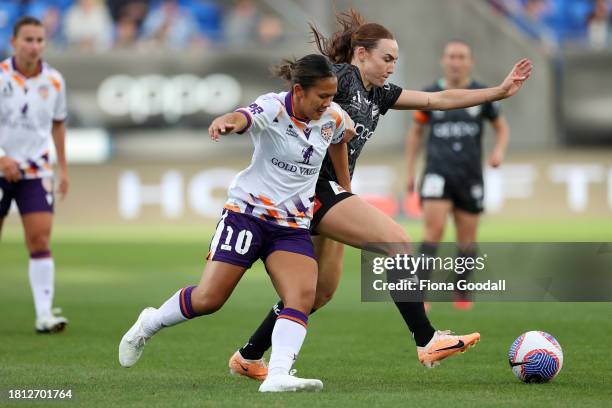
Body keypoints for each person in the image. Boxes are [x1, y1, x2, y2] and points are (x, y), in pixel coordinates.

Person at [230, 9, 532, 379]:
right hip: (313, 189)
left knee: (318, 293)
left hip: (326, 193)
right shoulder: (340, 78)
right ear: (360, 54)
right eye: (386, 58)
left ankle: (248, 356)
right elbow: (295, 101)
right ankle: (426, 339)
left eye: (395, 61)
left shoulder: (379, 94)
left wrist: (498, 92)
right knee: (399, 243)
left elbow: (436, 100)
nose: (392, 67)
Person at [118, 54, 355, 393]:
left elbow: (341, 137)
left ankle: (277, 375)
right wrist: (226, 122)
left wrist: (345, 187)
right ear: (299, 91)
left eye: (332, 97)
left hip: (290, 226)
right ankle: (149, 323)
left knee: (302, 295)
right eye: (322, 96)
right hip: (248, 215)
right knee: (209, 299)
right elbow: (243, 117)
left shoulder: (332, 116)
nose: (328, 103)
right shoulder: (273, 108)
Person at [406, 40, 510, 310]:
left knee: (467, 238)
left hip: (470, 176)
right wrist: (409, 171)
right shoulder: (429, 94)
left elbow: (501, 127)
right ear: (443, 60)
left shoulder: (481, 94)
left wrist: (498, 152)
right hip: (437, 173)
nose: (456, 61)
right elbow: (416, 132)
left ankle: (461, 292)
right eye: (451, 56)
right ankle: (421, 293)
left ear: (470, 62)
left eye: (461, 56)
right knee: (433, 232)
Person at [0, 16, 69, 333]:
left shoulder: (54, 80)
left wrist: (63, 168)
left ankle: (44, 315)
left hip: (36, 169)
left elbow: (58, 123)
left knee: (40, 239)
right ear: (13, 42)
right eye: (28, 39)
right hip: (1, 167)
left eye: (40, 40)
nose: (35, 46)